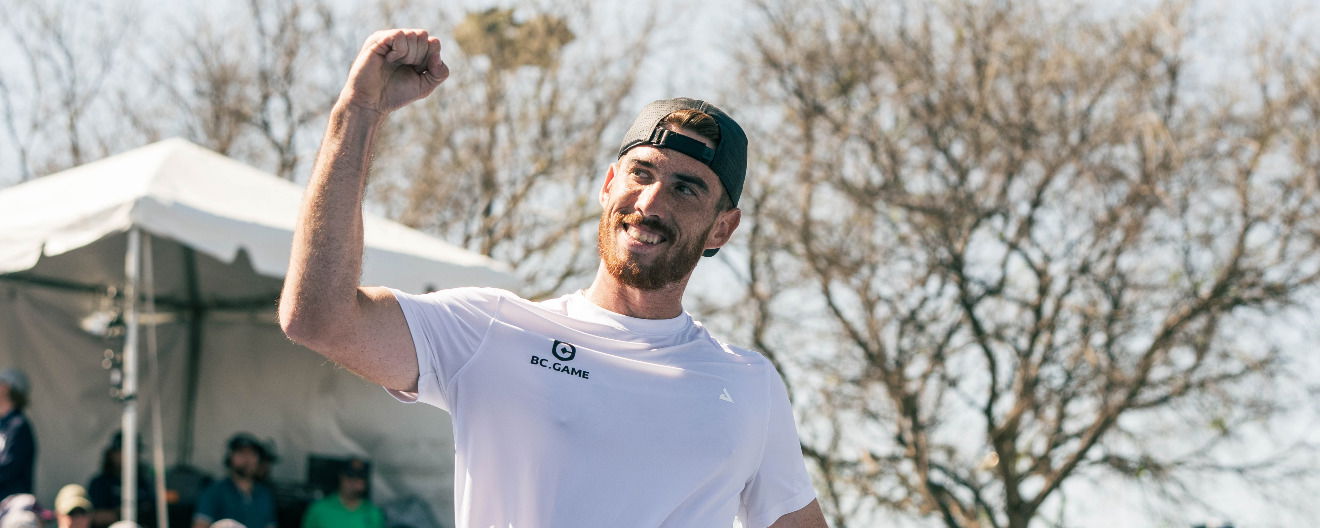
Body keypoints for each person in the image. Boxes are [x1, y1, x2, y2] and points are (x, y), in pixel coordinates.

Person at [279, 28, 827, 528]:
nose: (651, 202)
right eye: (640, 173)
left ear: (722, 229)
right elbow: (319, 318)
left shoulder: (749, 385)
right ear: (608, 185)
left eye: (686, 189)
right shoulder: (492, 331)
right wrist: (358, 111)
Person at [192, 434, 275, 528]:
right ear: (230, 457)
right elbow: (200, 525)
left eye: (252, 454)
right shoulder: (214, 491)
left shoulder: (265, 494)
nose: (247, 459)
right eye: (241, 453)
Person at [87, 433, 155, 528]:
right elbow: (96, 516)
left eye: (136, 451)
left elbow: (151, 510)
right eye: (126, 451)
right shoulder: (100, 483)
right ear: (113, 454)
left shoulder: (144, 482)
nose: (133, 456)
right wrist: (123, 512)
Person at [300, 458, 382, 528]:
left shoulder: (374, 513)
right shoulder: (318, 509)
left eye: (359, 477)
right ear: (341, 477)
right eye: (350, 476)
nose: (354, 482)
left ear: (365, 482)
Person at [0, 369, 35, 501]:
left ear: (6, 388)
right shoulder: (4, 425)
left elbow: (8, 468)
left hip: (11, 505)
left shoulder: (18, 425)